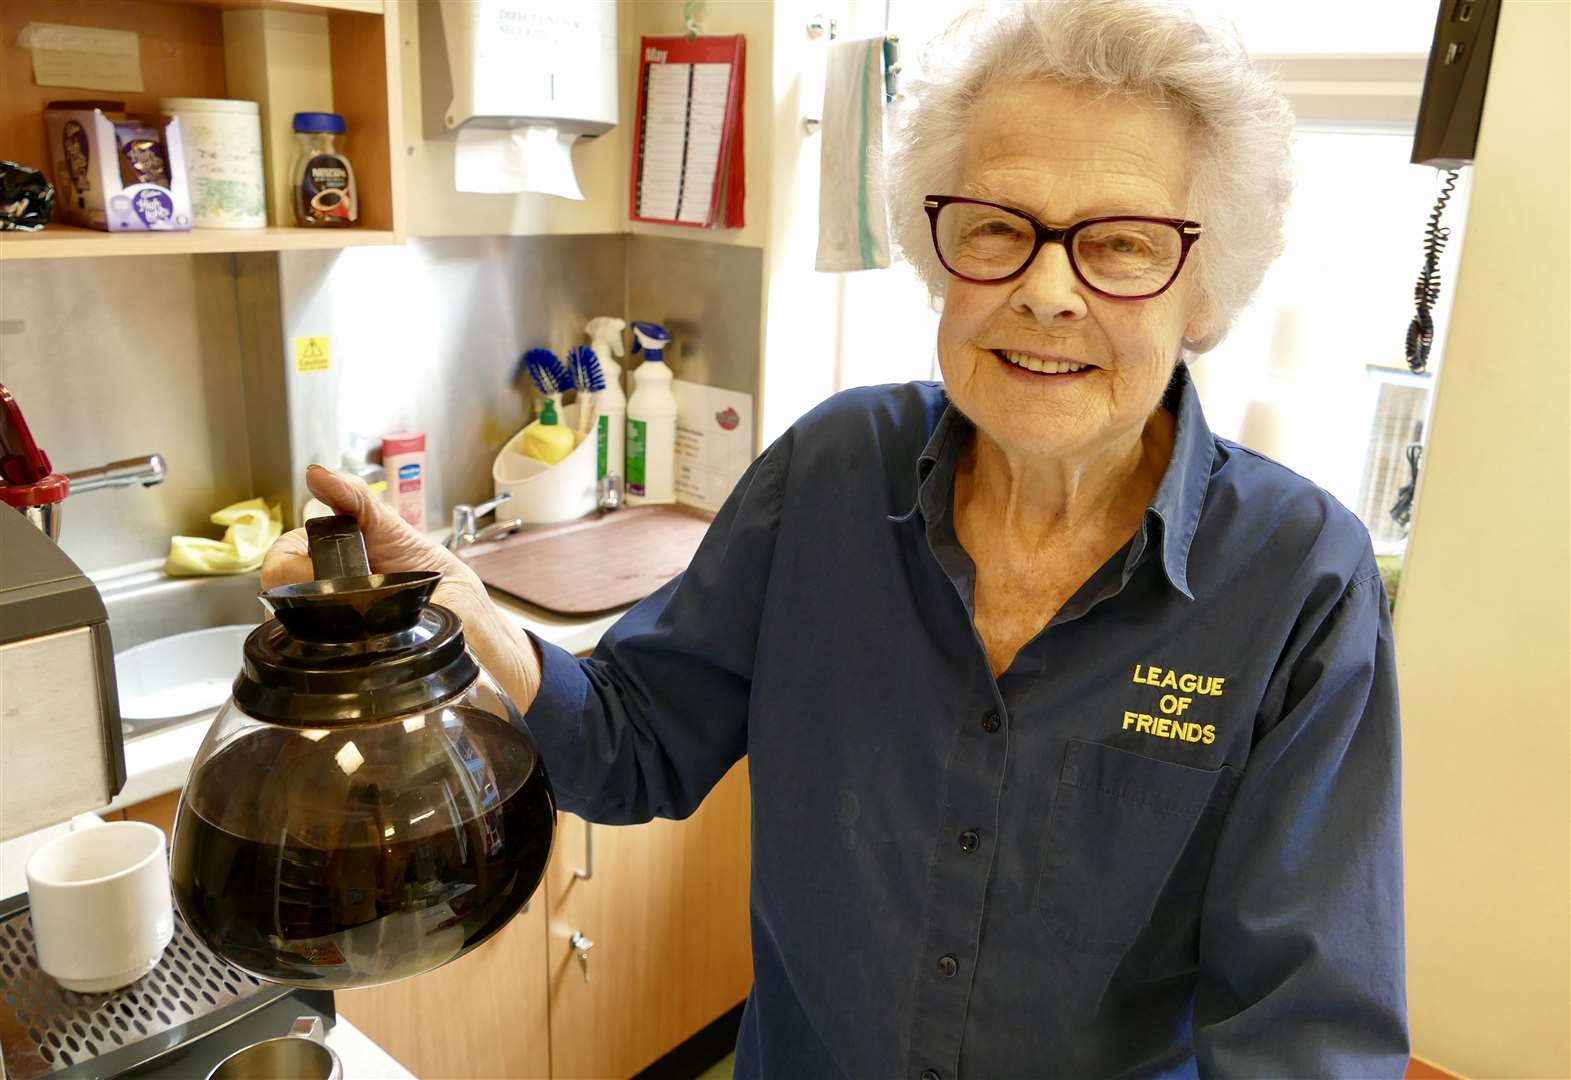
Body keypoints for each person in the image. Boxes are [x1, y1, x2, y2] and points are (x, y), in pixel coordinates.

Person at [265, 1, 1408, 1075]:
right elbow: (631, 745)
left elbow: (1303, 1030)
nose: (1045, 292)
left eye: (1117, 246)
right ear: (937, 253)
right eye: (997, 227)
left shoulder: (1296, 580)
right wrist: (467, 612)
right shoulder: (828, 473)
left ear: (1201, 287)